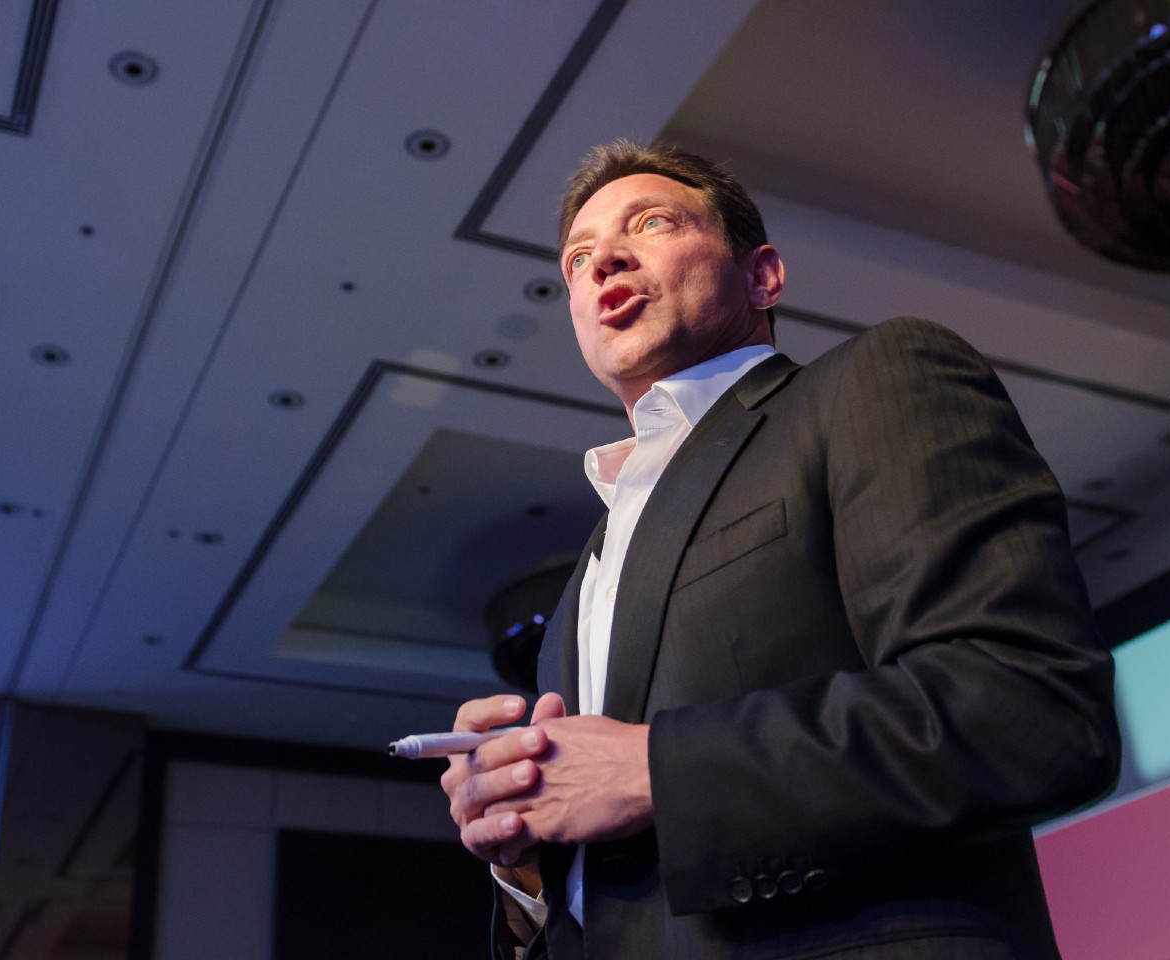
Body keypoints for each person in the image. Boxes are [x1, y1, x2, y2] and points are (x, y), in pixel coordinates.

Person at [440, 140, 1120, 960]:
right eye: (578, 257)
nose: (602, 260)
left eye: (650, 222)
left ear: (762, 275)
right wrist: (526, 860)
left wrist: (657, 770)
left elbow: (1027, 707)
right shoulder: (587, 570)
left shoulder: (873, 380)